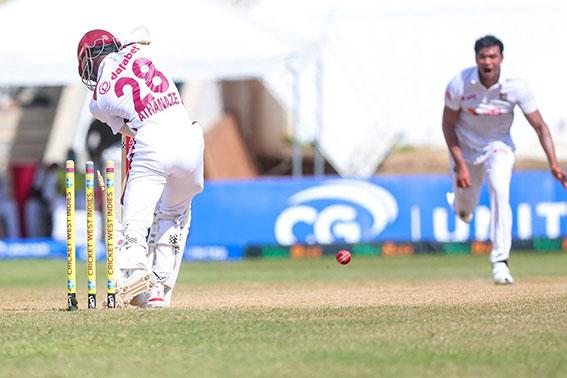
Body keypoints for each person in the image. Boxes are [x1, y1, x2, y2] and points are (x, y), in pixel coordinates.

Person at [76, 28, 204, 307]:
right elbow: (140, 36)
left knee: (135, 224)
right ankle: (159, 290)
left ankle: (134, 278)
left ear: (88, 60)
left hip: (154, 141)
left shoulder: (98, 101)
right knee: (174, 215)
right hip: (191, 139)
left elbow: (127, 131)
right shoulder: (143, 50)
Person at [442, 35, 567, 285]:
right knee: (466, 210)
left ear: (501, 58)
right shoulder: (460, 84)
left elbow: (540, 126)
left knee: (500, 191)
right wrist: (461, 165)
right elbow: (447, 126)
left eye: (493, 57)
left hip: (498, 147)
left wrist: (553, 163)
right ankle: (459, 205)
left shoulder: (515, 86)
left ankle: (500, 261)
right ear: (476, 58)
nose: (488, 62)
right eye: (483, 57)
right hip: (465, 150)